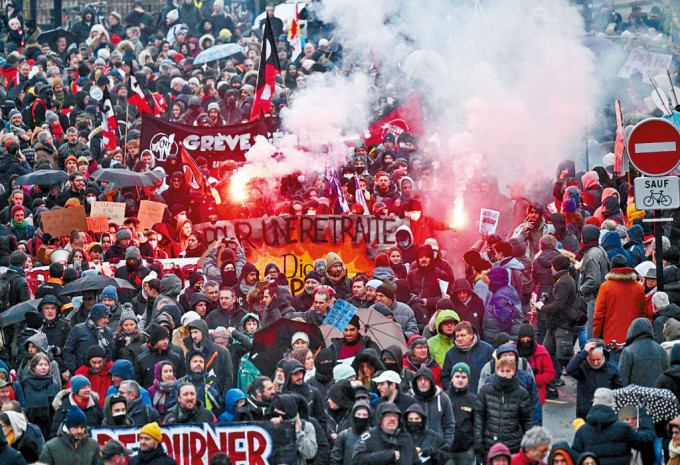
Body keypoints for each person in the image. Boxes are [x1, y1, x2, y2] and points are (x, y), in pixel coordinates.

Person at [572, 388, 655, 465]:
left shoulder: (582, 431)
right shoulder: (623, 429)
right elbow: (647, 440)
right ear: (612, 405)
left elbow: (575, 457)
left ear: (594, 404)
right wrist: (644, 415)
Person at [474, 358, 532, 459]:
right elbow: (479, 417)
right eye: (502, 371)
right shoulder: (485, 390)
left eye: (508, 371)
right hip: (489, 445)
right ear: (497, 371)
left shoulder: (522, 393)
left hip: (513, 447)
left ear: (513, 371)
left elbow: (527, 421)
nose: (505, 375)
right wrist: (478, 440)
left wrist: (528, 444)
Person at [593, 255, 646, 349]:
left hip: (612, 340)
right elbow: (643, 313)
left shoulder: (606, 287)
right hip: (634, 339)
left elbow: (599, 315)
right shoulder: (638, 287)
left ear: (611, 267)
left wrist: (596, 337)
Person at [566, 340, 623, 420]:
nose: (596, 363)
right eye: (592, 360)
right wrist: (583, 353)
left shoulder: (612, 370)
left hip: (605, 413)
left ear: (603, 355)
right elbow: (569, 370)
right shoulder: (582, 367)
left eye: (598, 359)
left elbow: (618, 392)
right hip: (585, 413)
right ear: (586, 357)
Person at [352, 401, 418, 465]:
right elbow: (357, 460)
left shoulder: (406, 438)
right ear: (380, 418)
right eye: (388, 415)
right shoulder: (368, 437)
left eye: (395, 415)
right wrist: (384, 456)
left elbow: (416, 461)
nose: (392, 419)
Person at [441, 321, 494, 392]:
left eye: (463, 335)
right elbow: (445, 377)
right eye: (457, 336)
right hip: (460, 398)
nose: (459, 338)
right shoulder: (450, 353)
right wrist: (453, 391)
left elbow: (494, 372)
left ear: (471, 335)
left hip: (484, 395)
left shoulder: (487, 349)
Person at [578, 224, 610, 339]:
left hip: (593, 297)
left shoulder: (591, 254)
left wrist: (581, 289)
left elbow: (593, 280)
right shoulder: (600, 249)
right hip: (600, 295)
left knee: (592, 331)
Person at [617, 317, 668, 387]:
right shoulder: (661, 350)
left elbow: (622, 379)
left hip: (636, 396)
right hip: (657, 395)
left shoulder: (628, 351)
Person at [446, 362, 477, 465]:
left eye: (464, 377)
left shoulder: (474, 400)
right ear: (452, 378)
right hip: (447, 451)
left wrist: (473, 448)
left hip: (466, 451)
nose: (460, 380)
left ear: (468, 379)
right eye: (457, 376)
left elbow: (478, 424)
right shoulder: (443, 398)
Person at [330, 400, 372, 465]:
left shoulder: (374, 436)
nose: (361, 417)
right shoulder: (344, 436)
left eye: (364, 415)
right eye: (358, 414)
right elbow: (336, 459)